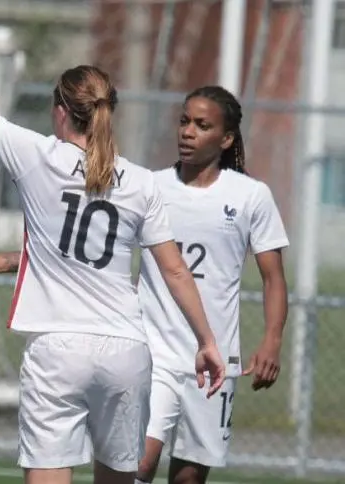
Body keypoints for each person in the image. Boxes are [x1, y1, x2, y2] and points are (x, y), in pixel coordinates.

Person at [0, 4, 225, 484]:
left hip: (58, 346)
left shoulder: (37, 156)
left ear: (62, 110)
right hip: (127, 348)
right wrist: (207, 341)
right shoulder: (140, 181)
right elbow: (174, 270)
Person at [134, 86, 289, 484]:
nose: (187, 131)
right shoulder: (149, 187)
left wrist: (271, 339)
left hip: (213, 362)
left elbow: (273, 279)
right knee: (139, 463)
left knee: (187, 478)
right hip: (153, 351)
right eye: (184, 121)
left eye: (202, 125)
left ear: (226, 138)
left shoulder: (251, 195)